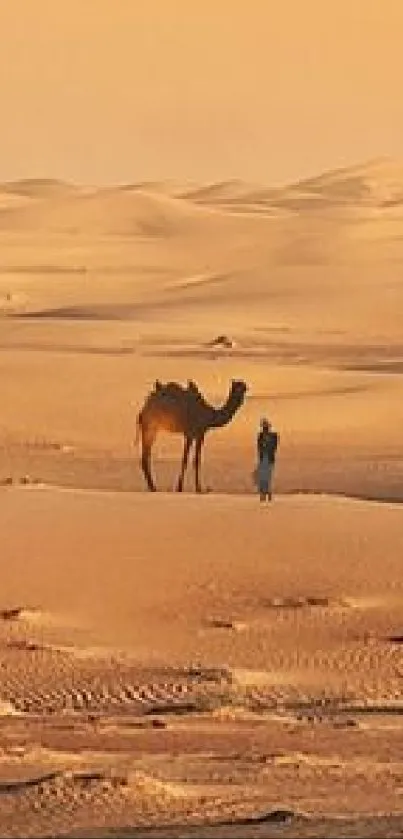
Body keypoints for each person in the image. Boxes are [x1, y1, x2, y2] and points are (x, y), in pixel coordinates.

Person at [255, 418, 279, 502]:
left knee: (267, 477)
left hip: (269, 458)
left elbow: (274, 447)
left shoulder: (273, 436)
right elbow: (259, 447)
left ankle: (267, 492)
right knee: (262, 477)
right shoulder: (260, 436)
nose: (264, 429)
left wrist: (267, 448)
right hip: (263, 458)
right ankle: (263, 493)